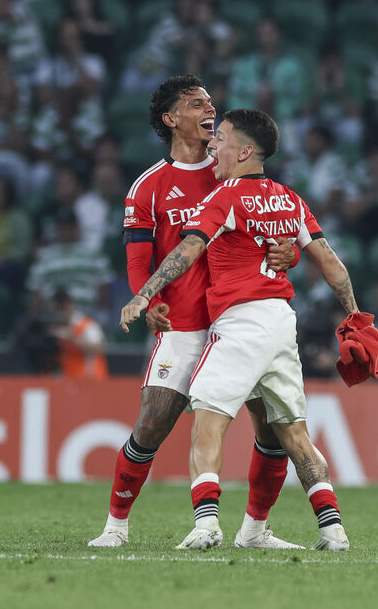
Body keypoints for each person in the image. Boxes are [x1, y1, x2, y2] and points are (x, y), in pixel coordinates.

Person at [120, 109, 361, 551]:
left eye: (223, 139)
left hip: (240, 322)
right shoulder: (290, 198)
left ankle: (207, 523)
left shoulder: (226, 196)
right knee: (294, 433)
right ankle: (332, 529)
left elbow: (188, 250)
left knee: (207, 423)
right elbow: (330, 262)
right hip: (282, 321)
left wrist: (144, 294)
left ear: (245, 151)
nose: (214, 145)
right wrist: (356, 316)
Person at [88, 76, 298, 549]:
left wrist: (288, 254)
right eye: (196, 103)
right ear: (170, 119)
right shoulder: (148, 186)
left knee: (271, 431)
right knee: (151, 425)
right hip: (183, 324)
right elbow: (138, 260)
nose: (210, 109)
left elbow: (276, 234)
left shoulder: (233, 168)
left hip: (240, 319)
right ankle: (115, 526)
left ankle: (256, 530)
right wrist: (147, 300)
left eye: (210, 102)